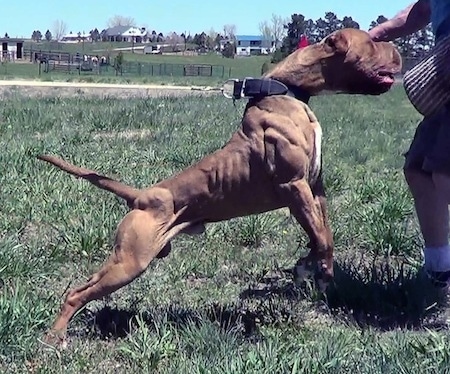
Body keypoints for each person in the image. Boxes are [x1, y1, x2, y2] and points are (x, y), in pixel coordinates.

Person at [369, 0, 450, 288]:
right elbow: (421, 9)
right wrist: (375, 35)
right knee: (418, 168)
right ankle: (440, 270)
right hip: (445, 67)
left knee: (445, 173)